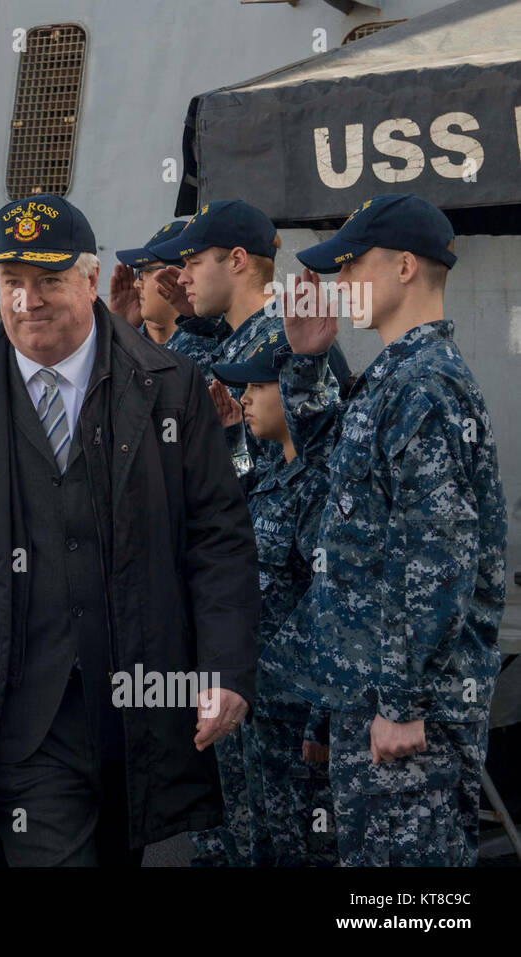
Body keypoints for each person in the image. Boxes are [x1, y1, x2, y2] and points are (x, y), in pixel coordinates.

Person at [0, 194, 259, 866]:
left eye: (50, 281)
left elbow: (217, 536)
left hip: (138, 710)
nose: (28, 301)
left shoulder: (171, 387)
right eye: (13, 284)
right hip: (19, 711)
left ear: (90, 281)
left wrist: (226, 667)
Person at [265, 194, 506, 866]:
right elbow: (333, 486)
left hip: (407, 718)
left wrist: (401, 702)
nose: (341, 285)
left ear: (404, 266)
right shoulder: (392, 378)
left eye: (352, 266)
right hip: (373, 704)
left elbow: (436, 559)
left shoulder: (426, 386)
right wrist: (310, 361)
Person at [148, 200, 342, 865]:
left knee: (278, 832)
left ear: (236, 259)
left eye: (194, 259)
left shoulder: (287, 344)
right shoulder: (231, 341)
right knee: (231, 822)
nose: (181, 271)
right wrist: (189, 324)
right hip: (238, 626)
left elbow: (291, 484)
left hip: (279, 646)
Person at [209, 338, 338, 866]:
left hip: (295, 709)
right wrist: (231, 435)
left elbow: (330, 606)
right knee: (256, 838)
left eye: (260, 386)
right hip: (259, 702)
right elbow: (233, 507)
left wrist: (320, 722)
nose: (247, 397)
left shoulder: (319, 486)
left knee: (300, 848)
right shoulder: (276, 475)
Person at [110, 219, 231, 384]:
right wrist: (119, 332)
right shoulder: (131, 341)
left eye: (144, 272)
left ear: (178, 275)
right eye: (138, 273)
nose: (137, 283)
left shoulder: (210, 347)